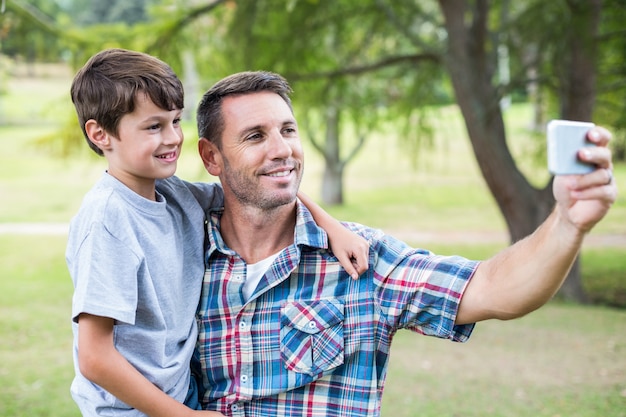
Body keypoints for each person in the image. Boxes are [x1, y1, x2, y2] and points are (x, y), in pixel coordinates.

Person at [192, 70, 618, 416]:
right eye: (255, 136)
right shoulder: (182, 250)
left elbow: (495, 289)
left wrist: (567, 223)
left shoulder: (361, 260)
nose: (283, 149)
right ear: (211, 157)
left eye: (288, 129)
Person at [66, 50, 368, 417]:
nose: (172, 138)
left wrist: (330, 225)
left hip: (179, 398)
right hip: (129, 411)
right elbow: (95, 359)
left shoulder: (174, 194)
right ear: (101, 134)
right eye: (153, 127)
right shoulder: (108, 219)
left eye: (176, 121)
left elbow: (259, 186)